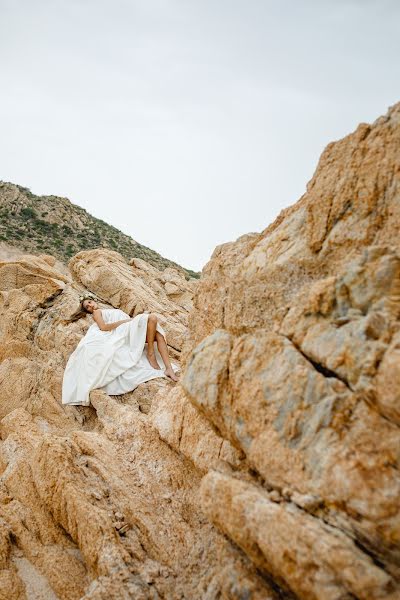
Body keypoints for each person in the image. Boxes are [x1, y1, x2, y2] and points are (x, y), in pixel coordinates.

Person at [61, 293, 180, 406]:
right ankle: (150, 353)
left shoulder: (107, 309)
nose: (91, 306)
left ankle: (168, 369)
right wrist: (126, 322)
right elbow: (104, 327)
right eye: (87, 307)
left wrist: (131, 321)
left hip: (128, 328)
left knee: (158, 334)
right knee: (152, 318)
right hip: (123, 330)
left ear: (94, 300)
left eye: (90, 302)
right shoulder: (97, 313)